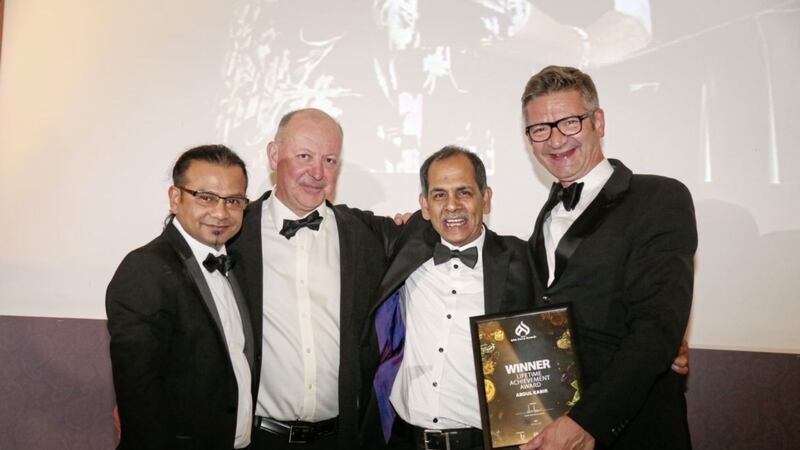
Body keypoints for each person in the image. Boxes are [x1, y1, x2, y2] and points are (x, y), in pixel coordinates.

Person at [519, 65, 697, 450]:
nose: (555, 140)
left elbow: (655, 328)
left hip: (633, 429)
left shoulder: (659, 199)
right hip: (554, 430)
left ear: (597, 121)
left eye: (568, 122)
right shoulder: (545, 217)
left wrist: (587, 422)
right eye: (540, 129)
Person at [227, 108, 390, 449]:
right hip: (256, 439)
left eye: (330, 160)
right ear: (274, 156)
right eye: (305, 156)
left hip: (340, 439)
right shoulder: (232, 234)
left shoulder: (364, 235)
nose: (317, 172)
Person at [356, 146, 535, 450]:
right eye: (439, 195)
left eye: (463, 192)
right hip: (402, 440)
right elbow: (341, 219)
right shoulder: (405, 245)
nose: (452, 206)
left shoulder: (523, 260)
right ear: (424, 206)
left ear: (486, 198)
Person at [107, 145, 256, 450]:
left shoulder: (237, 265)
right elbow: (139, 396)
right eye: (205, 197)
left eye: (233, 201)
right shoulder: (146, 268)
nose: (220, 212)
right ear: (175, 198)